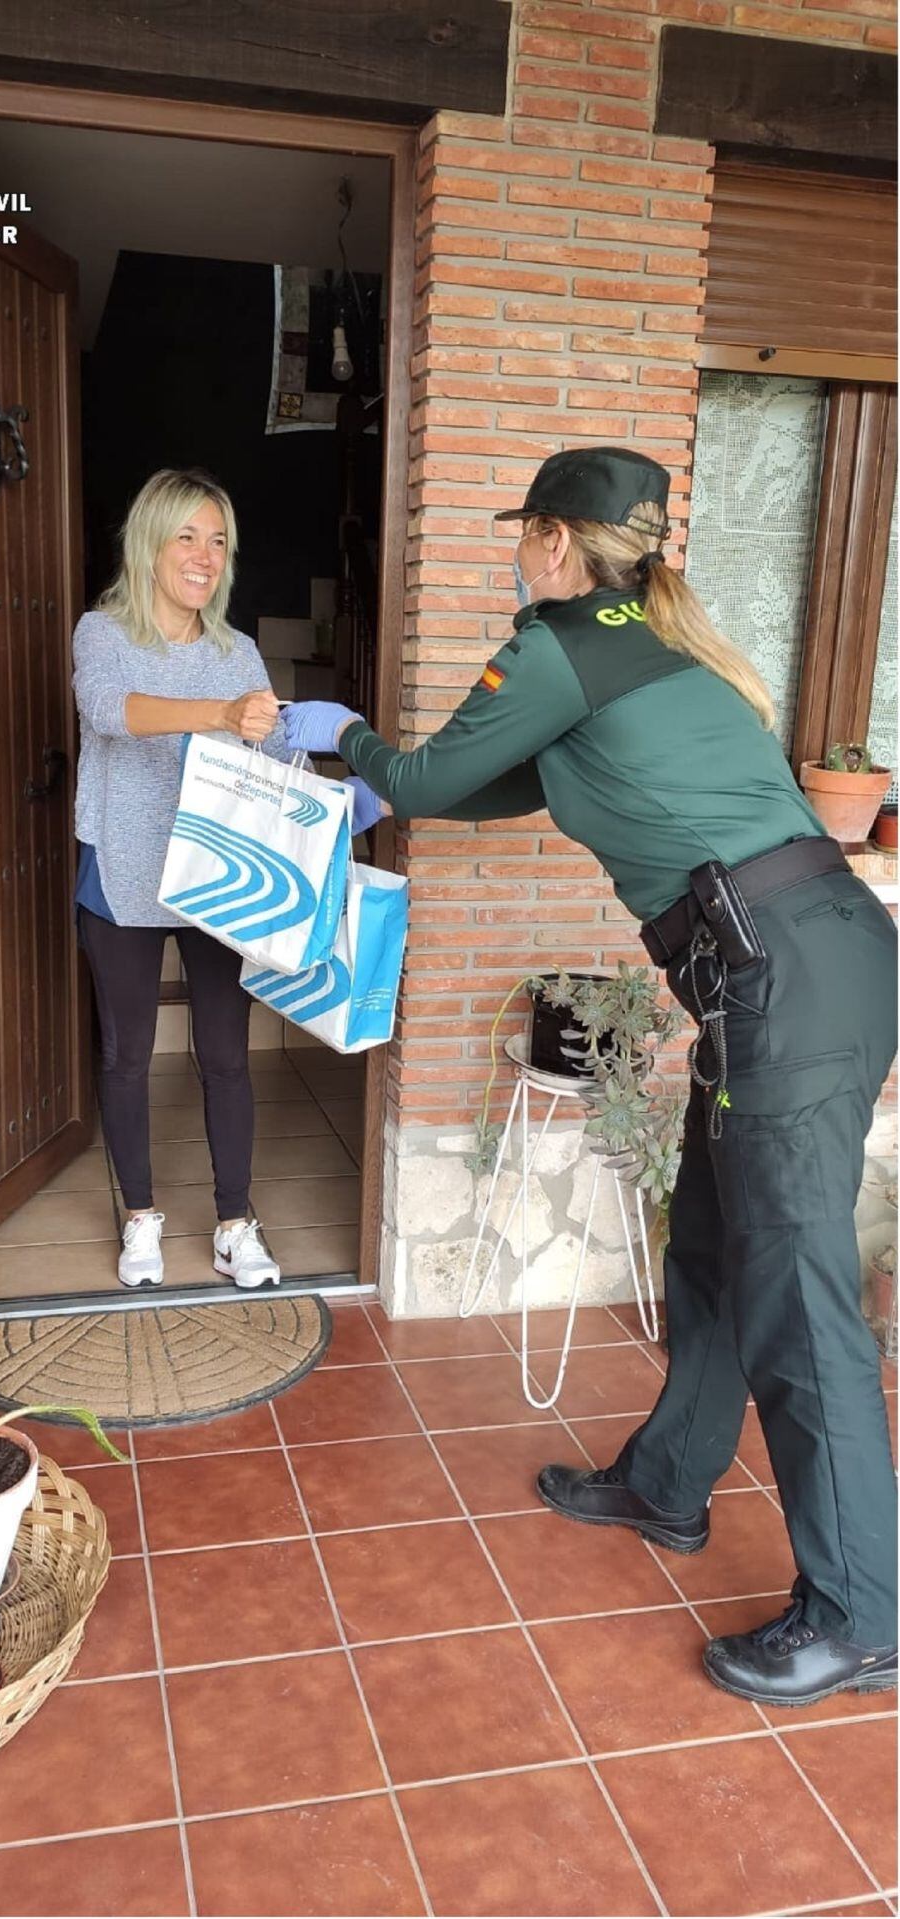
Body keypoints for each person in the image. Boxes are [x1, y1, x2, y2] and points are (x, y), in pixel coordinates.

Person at [283, 445, 898, 1710]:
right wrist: (388, 784)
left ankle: (862, 1609)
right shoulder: (653, 652)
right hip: (803, 966)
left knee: (795, 1291)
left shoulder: (563, 643)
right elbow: (486, 785)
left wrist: (345, 739)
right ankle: (671, 1484)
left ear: (558, 543)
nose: (518, 553)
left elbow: (429, 777)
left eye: (525, 534)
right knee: (719, 1254)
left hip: (781, 980)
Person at [73, 467, 382, 1291]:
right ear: (150, 543)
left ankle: (234, 1223)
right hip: (127, 876)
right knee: (128, 1054)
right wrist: (216, 715)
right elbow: (111, 710)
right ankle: (140, 1215)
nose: (204, 555)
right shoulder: (102, 635)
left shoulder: (236, 650)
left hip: (223, 878)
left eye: (217, 540)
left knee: (225, 1055)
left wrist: (341, 780)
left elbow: (270, 755)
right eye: (187, 535)